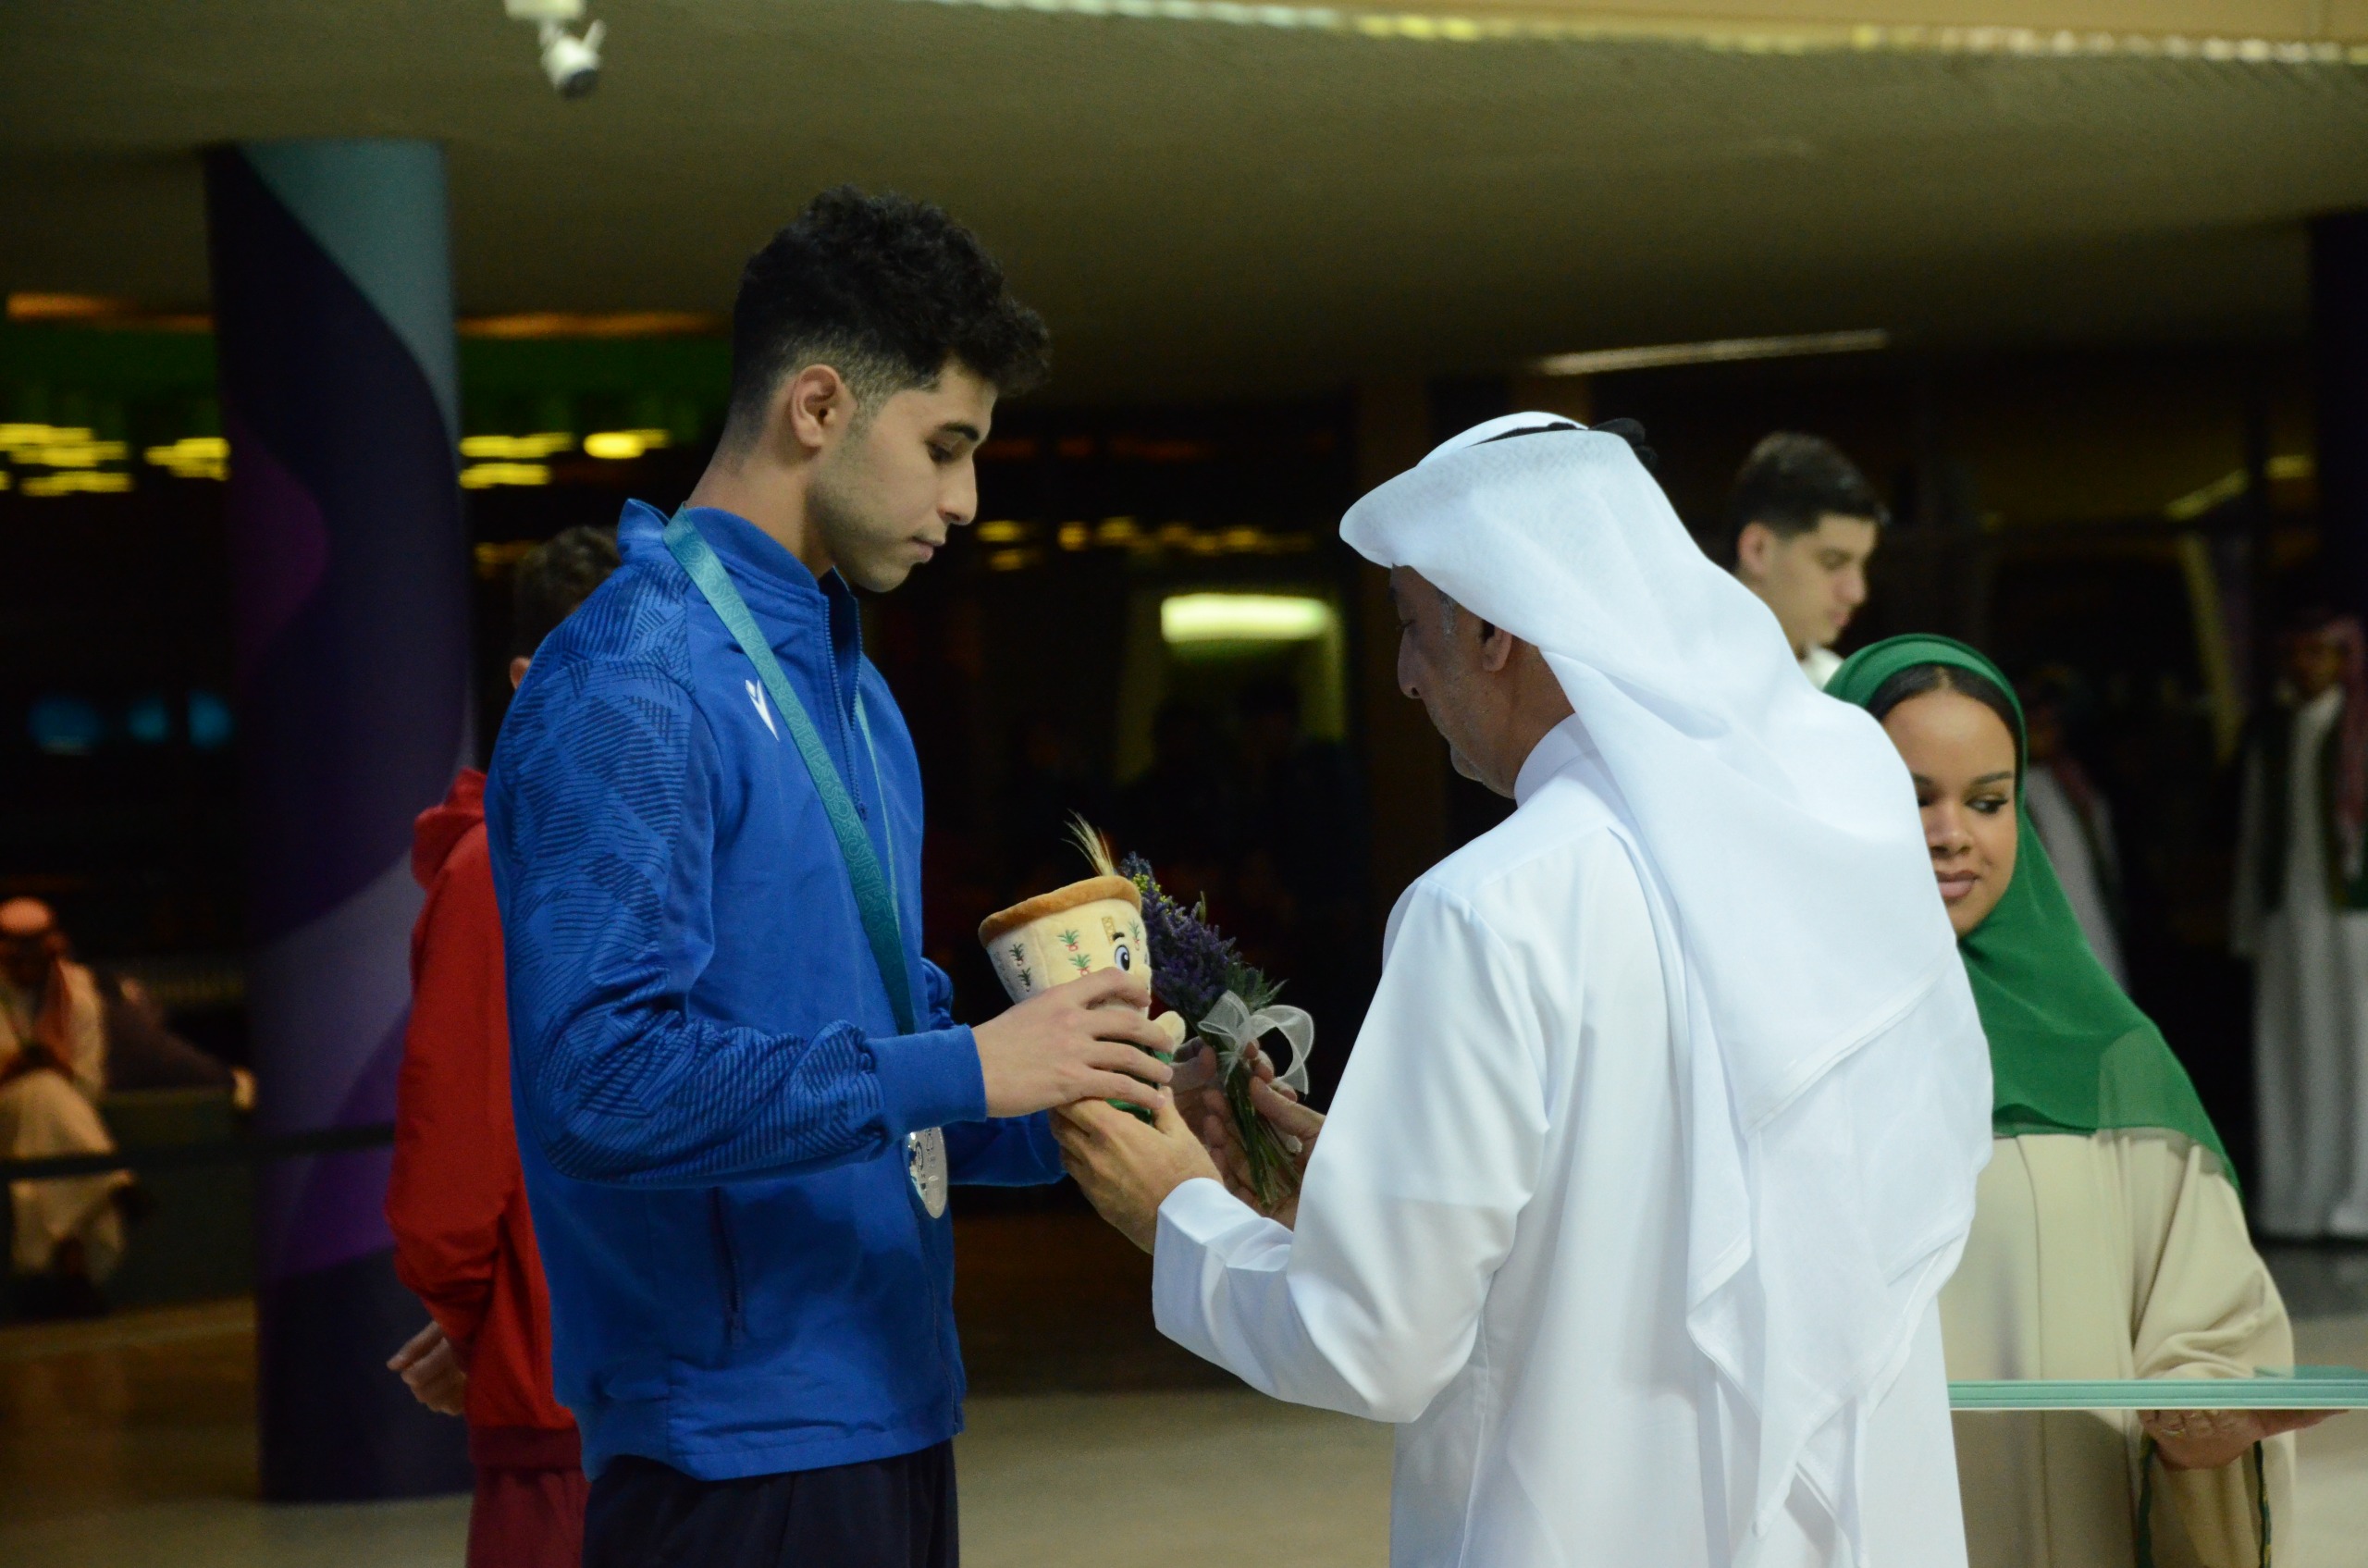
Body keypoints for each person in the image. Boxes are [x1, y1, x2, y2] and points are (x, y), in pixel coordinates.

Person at [1055, 414, 1992, 1568]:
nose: (1404, 676)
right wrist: (1359, 1201)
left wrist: (1179, 1217)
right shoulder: (1833, 825)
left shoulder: (1489, 906)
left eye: (1412, 626)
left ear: (1493, 630)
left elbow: (1374, 1343)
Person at [485, 188, 1176, 1568]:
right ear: (817, 406)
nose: (964, 500)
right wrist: (968, 1065)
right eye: (945, 446)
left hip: (893, 1400)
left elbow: (892, 1075)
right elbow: (599, 1083)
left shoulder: (858, 691)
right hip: (728, 1445)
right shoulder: (633, 677)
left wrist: (1088, 1092)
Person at [1831, 635, 2326, 1568]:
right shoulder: (1763, 1054)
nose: (1951, 834)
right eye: (1910, 797)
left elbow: (2207, 1326)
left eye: (1988, 801)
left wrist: (2203, 1424)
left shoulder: (2110, 1061)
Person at [384, 523, 620, 1568]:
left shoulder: (666, 853)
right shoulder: (495, 873)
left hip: (672, 1396)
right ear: (531, 681)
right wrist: (495, 1329)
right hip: (565, 1412)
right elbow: (451, 1173)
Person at [2230, 610, 2368, 1239]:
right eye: (2298, 653)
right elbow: (2255, 833)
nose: (2307, 666)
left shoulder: (2359, 730)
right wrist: (2248, 924)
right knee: (2293, 1054)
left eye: (2320, 652)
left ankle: (2358, 1200)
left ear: (2344, 660)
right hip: (2288, 923)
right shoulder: (2273, 736)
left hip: (2355, 925)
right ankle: (2296, 1202)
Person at [0, 897, 129, 1311]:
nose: (25, 963)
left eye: (33, 951)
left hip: (55, 1121)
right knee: (43, 1094)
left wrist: (57, 1067)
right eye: (14, 951)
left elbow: (88, 1088)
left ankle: (70, 1270)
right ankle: (110, 1180)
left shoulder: (78, 997)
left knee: (46, 1100)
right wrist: (14, 1068)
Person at [1723, 432, 1887, 687]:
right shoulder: (1676, 675)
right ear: (1757, 550)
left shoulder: (1840, 688)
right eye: (1832, 562)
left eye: (1862, 564)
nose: (1856, 593)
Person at [2020, 671, 2128, 987]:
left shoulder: (2074, 780)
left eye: (2049, 716)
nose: (2043, 723)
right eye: (2033, 713)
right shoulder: (2014, 791)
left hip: (2095, 933)